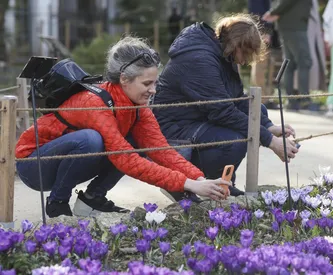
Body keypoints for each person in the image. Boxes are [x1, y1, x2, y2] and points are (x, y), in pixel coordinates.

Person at [15, 36, 230, 218]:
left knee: (128, 140)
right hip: (34, 164)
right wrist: (187, 184)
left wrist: (200, 179)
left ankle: (91, 200)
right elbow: (125, 158)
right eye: (147, 84)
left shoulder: (136, 106)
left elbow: (160, 150)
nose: (153, 90)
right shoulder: (94, 103)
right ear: (124, 79)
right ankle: (57, 204)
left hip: (65, 160)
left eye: (155, 83)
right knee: (91, 140)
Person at [152, 14, 299, 201]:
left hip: (197, 118)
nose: (246, 61)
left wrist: (268, 126)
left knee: (257, 109)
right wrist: (270, 140)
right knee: (233, 142)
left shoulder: (223, 54)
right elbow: (222, 111)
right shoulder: (199, 59)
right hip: (174, 127)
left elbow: (237, 100)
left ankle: (224, 183)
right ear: (237, 45)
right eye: (247, 53)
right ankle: (183, 184)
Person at [263, 0, 313, 111]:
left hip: (290, 25)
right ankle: (304, 101)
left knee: (289, 63)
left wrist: (274, 12)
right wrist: (273, 12)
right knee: (304, 62)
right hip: (295, 27)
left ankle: (291, 101)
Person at [248, 0, 279, 109]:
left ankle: (266, 97)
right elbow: (256, 12)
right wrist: (264, 31)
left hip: (270, 33)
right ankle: (261, 99)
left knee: (269, 66)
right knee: (260, 65)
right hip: (262, 31)